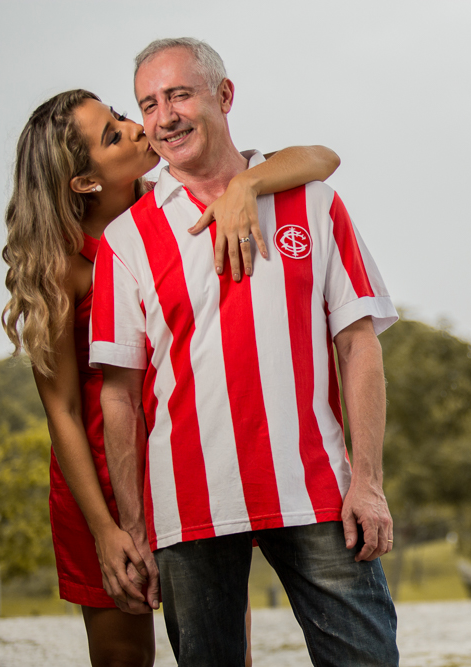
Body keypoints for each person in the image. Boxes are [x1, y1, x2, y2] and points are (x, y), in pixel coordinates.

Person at [1, 87, 341, 667]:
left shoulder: (178, 203)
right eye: (113, 135)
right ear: (84, 181)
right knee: (123, 658)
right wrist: (108, 530)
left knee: (222, 651)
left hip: (189, 467)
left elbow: (320, 159)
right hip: (102, 487)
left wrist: (245, 185)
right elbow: (60, 410)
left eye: (121, 117)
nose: (138, 128)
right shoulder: (63, 267)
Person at [90, 37, 400, 666]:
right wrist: (132, 524)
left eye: (180, 94)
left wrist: (367, 482)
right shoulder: (127, 239)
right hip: (189, 507)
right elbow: (119, 395)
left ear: (224, 96)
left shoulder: (312, 200)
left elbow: (358, 345)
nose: (165, 116)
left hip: (317, 493)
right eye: (148, 104)